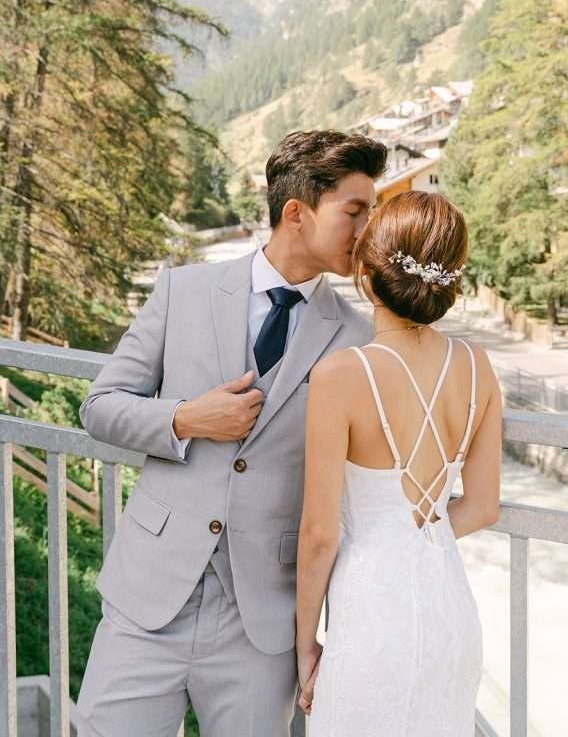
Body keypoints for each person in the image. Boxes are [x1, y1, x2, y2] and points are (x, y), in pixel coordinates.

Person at [75, 130, 387, 737]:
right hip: (148, 599)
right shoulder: (181, 290)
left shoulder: (357, 338)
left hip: (262, 623)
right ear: (295, 213)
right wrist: (185, 418)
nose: (367, 229)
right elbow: (100, 408)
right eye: (355, 212)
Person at [296, 190, 502, 735]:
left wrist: (304, 648)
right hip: (450, 612)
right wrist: (415, 535)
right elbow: (481, 507)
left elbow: (319, 535)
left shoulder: (340, 375)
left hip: (371, 614)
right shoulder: (478, 367)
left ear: (367, 274)